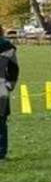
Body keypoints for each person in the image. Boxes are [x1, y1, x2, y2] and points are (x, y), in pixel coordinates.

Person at [0, 25, 18, 161]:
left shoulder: (6, 46)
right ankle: (1, 152)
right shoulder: (7, 46)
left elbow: (13, 67)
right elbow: (13, 67)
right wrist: (10, 83)